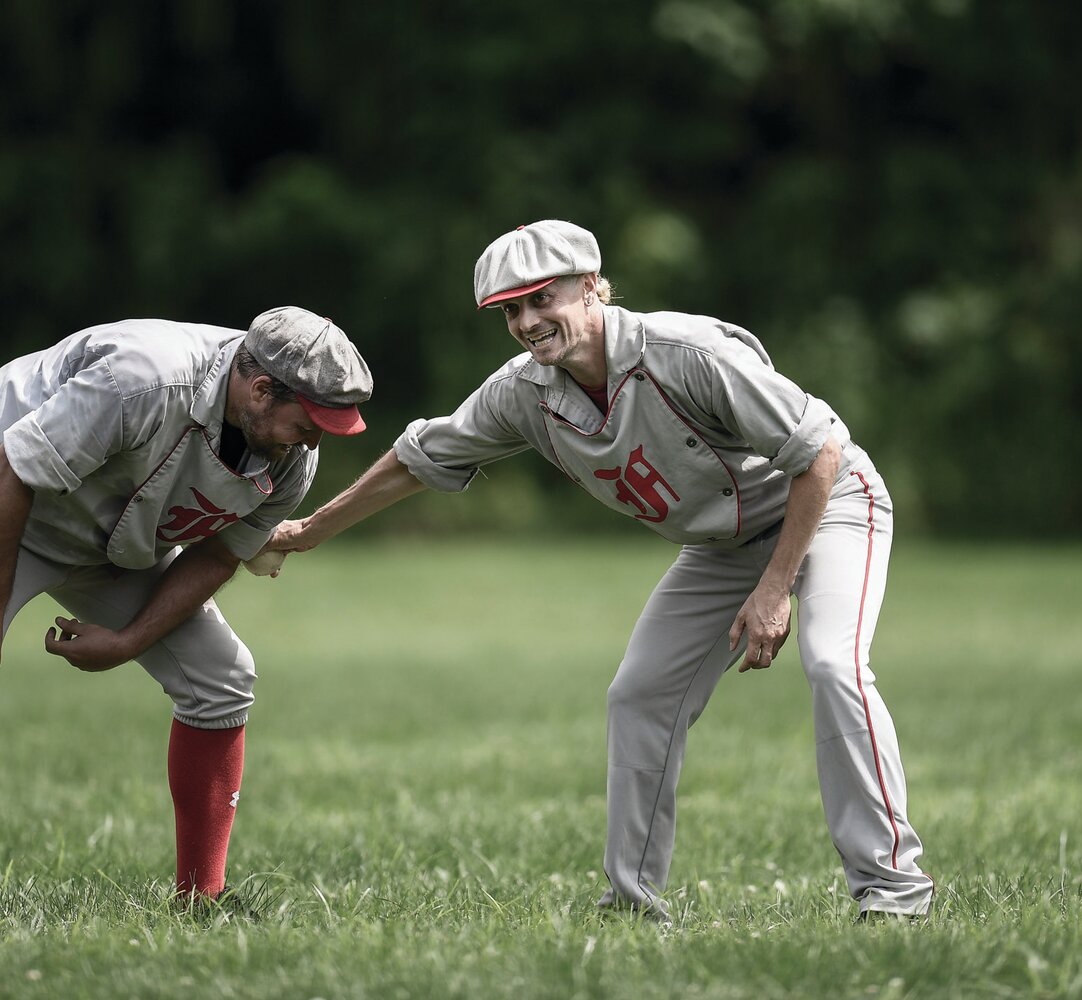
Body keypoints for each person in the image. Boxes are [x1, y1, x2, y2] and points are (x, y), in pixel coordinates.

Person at [265, 221, 932, 922]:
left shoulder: (685, 353)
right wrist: (310, 530)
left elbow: (820, 452)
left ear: (591, 287)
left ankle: (894, 892)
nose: (526, 322)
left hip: (829, 506)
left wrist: (774, 589)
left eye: (540, 299)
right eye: (509, 311)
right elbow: (418, 457)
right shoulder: (525, 392)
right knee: (639, 695)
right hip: (722, 545)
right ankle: (632, 904)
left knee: (833, 664)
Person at [0, 306, 372, 916]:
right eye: (313, 420)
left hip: (116, 533)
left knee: (223, 676)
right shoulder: (146, 377)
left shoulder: (291, 455)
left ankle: (200, 900)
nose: (318, 437)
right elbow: (15, 464)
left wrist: (130, 639)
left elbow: (218, 554)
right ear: (262, 388)